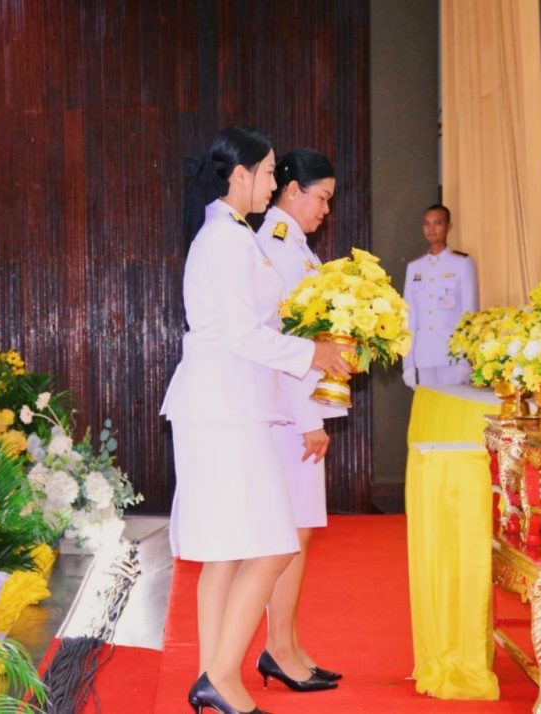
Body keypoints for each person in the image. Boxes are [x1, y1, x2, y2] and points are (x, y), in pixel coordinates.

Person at [161, 126, 351, 714]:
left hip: (227, 405)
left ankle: (212, 677)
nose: (274, 182)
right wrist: (313, 353)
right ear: (239, 175)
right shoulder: (227, 240)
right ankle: (220, 678)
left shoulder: (230, 234)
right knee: (271, 545)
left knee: (226, 554)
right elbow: (244, 334)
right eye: (268, 172)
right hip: (226, 409)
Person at [253, 148, 345, 693]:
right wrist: (309, 417)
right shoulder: (279, 246)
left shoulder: (296, 247)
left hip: (296, 409)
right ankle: (279, 649)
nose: (326, 210)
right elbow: (285, 341)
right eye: (322, 198)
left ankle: (285, 643)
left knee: (299, 532)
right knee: (290, 534)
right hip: (288, 414)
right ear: (292, 191)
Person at [401, 204, 479, 388]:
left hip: (452, 354)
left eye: (437, 223)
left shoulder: (462, 263)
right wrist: (408, 363)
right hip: (423, 355)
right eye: (427, 224)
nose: (431, 229)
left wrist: (466, 359)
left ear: (448, 227)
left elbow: (469, 315)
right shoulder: (415, 267)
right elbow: (409, 317)